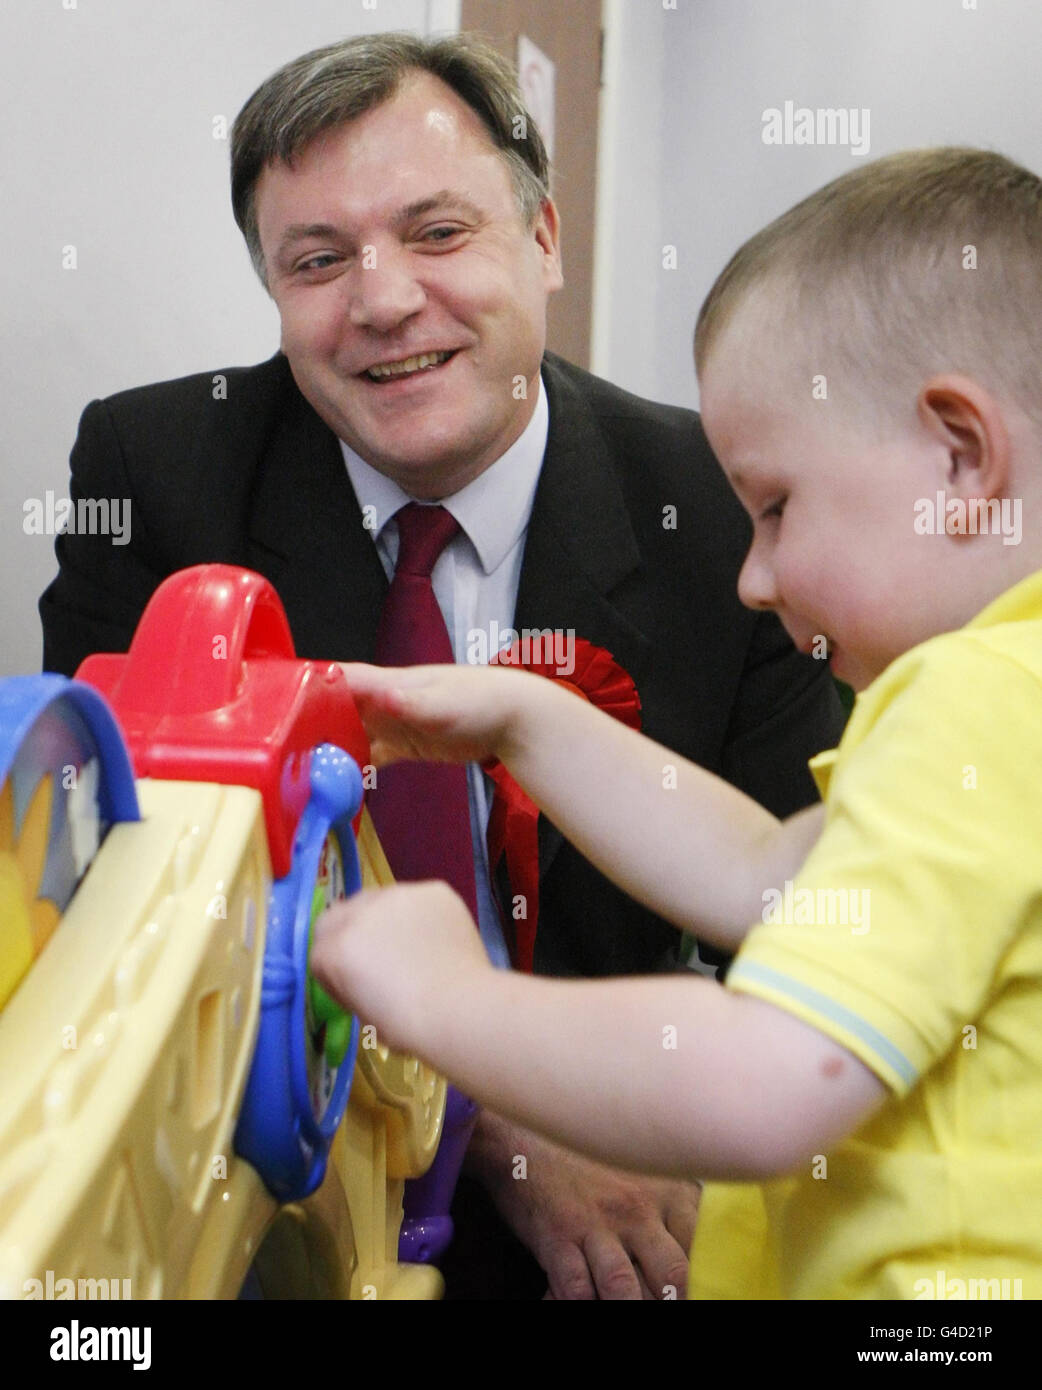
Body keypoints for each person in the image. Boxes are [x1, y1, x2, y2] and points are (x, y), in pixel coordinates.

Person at [38, 32, 845, 1299]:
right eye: (318, 260)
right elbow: (123, 907)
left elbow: (810, 925)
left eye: (436, 231)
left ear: (545, 241)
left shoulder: (721, 499)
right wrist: (494, 1121)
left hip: (634, 1195)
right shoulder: (158, 474)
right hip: (268, 1188)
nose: (383, 300)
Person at [310, 147, 1042, 1300]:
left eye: (775, 510)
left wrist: (448, 1001)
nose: (752, 579)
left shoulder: (972, 704)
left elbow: (769, 1081)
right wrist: (524, 722)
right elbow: (769, 870)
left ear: (959, 456)